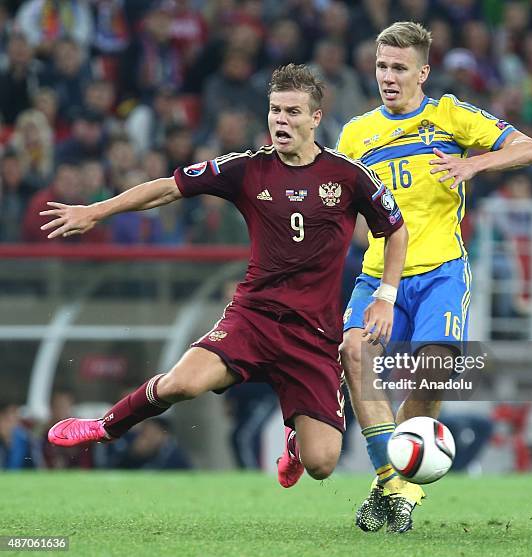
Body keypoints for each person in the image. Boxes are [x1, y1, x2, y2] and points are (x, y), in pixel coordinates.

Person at [43, 64, 408, 487]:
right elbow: (166, 187)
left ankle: (294, 443)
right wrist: (96, 211)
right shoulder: (246, 169)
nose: (281, 121)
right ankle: (106, 426)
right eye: (275, 111)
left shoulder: (348, 176)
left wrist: (386, 295)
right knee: (182, 384)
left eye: (292, 112)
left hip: (314, 335)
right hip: (253, 319)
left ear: (315, 119)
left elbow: (395, 230)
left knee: (322, 463)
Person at [336, 21, 532, 533]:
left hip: (441, 271)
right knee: (353, 353)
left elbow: (531, 148)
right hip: (377, 274)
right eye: (382, 66)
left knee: (430, 373)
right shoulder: (356, 134)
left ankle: (400, 490)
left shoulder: (449, 115)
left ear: (422, 72)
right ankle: (391, 479)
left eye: (399, 68)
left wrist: (476, 165)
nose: (388, 76)